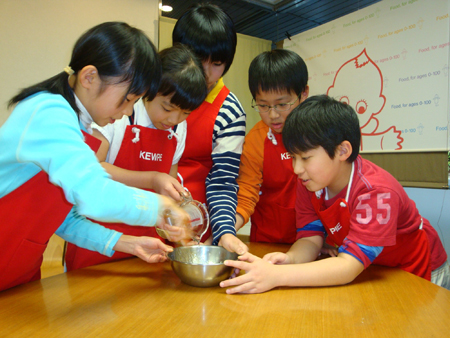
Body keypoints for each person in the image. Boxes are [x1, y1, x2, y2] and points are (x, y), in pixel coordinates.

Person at [0, 22, 190, 291]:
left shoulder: (77, 126)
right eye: (126, 99)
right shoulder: (47, 113)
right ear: (89, 77)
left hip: (18, 274)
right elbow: (93, 195)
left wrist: (126, 243)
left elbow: (63, 217)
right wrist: (160, 207)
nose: (126, 111)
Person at [220, 95, 450, 293]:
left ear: (342, 150)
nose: (296, 169)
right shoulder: (309, 183)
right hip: (373, 269)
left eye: (306, 158)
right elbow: (310, 237)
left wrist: (277, 277)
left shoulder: (376, 193)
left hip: (416, 269)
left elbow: (348, 266)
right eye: (293, 157)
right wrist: (290, 260)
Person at [64, 43, 207, 270]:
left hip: (147, 246)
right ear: (149, 90)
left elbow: (167, 186)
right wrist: (151, 179)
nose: (174, 119)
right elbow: (93, 168)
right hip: (99, 240)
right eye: (167, 108)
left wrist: (176, 216)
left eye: (186, 113)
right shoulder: (118, 114)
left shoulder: (179, 128)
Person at [218, 49, 309, 255]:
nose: (273, 115)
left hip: (316, 239)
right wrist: (227, 231)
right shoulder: (255, 140)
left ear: (303, 94)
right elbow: (247, 193)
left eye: (282, 104)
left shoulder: (319, 132)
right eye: (263, 105)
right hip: (268, 242)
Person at [172, 3, 247, 245]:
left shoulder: (230, 112)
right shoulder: (153, 92)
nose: (205, 73)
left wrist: (224, 232)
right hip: (145, 216)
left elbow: (223, 182)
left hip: (194, 227)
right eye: (198, 60)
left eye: (216, 64)